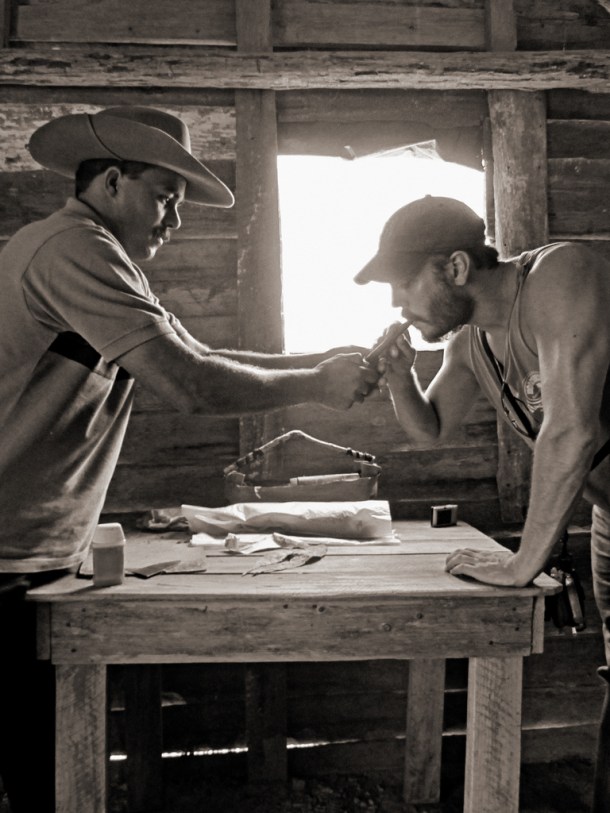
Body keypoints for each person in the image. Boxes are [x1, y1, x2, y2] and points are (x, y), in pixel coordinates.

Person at [0, 106, 378, 812]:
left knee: (41, 772)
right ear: (112, 181)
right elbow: (189, 383)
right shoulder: (71, 249)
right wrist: (317, 384)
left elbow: (200, 356)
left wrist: (322, 363)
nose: (174, 220)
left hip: (29, 552)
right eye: (164, 197)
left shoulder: (101, 259)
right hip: (4, 554)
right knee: (31, 777)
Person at [355, 194, 610, 812]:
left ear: (458, 268)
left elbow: (570, 431)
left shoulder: (560, 276)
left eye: (403, 284)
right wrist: (399, 378)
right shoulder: (473, 342)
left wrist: (523, 563)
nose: (396, 303)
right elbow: (431, 429)